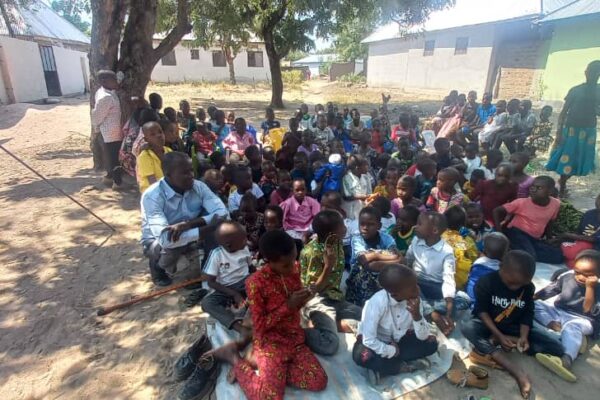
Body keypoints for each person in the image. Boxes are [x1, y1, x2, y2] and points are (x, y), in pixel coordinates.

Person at [207, 231, 327, 400]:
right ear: (269, 261)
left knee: (318, 381)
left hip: (294, 339)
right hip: (270, 343)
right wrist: (288, 306)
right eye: (286, 265)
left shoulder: (293, 269)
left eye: (294, 259)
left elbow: (297, 305)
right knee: (269, 397)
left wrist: (307, 294)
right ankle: (234, 358)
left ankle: (263, 366)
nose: (293, 266)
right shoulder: (255, 283)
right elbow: (259, 325)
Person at [462, 250, 564, 399]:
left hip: (514, 327)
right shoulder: (486, 282)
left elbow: (528, 312)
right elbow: (481, 311)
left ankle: (504, 341)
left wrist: (523, 336)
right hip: (489, 324)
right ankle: (517, 372)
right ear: (501, 268)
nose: (516, 287)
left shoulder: (528, 288)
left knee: (557, 348)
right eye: (512, 283)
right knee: (467, 327)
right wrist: (499, 335)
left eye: (521, 284)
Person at [140, 152, 228, 286]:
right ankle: (157, 267)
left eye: (191, 170)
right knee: (172, 245)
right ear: (168, 175)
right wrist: (208, 228)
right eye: (184, 173)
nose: (191, 175)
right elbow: (166, 239)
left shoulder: (198, 186)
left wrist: (188, 224)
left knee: (223, 226)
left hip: (188, 229)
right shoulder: (152, 196)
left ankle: (207, 269)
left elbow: (222, 212)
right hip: (158, 239)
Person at [353, 264, 438, 382]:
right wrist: (391, 350)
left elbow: (422, 336)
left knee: (432, 344)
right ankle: (398, 367)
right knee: (361, 356)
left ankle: (384, 367)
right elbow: (368, 340)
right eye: (413, 287)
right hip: (379, 342)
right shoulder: (376, 303)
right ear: (395, 294)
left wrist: (417, 316)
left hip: (401, 340)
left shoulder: (415, 301)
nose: (418, 289)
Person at [300, 210, 362, 355]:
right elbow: (312, 291)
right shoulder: (312, 252)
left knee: (367, 317)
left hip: (335, 297)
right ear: (331, 234)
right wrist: (328, 266)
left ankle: (334, 324)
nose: (345, 227)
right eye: (341, 225)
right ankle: (300, 330)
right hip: (317, 301)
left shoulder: (336, 242)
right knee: (329, 345)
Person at [534, 249, 600, 382]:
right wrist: (532, 298)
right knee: (535, 306)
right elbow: (551, 290)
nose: (580, 277)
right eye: (577, 272)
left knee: (572, 326)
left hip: (584, 319)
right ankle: (553, 325)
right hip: (559, 311)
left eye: (587, 275)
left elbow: (587, 309)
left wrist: (590, 288)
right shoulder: (567, 275)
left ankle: (566, 359)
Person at [546, 60, 600, 197]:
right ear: (586, 72)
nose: (591, 74)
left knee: (579, 160)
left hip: (589, 131)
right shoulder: (576, 90)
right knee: (566, 159)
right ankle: (562, 185)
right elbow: (564, 112)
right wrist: (559, 132)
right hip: (571, 130)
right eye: (590, 71)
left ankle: (562, 182)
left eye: (595, 72)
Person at [405, 211, 456, 336]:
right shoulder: (416, 241)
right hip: (417, 283)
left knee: (463, 299)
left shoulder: (446, 251)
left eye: (420, 224)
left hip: (436, 287)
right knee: (410, 287)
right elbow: (408, 260)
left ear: (434, 231)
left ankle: (425, 307)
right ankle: (434, 315)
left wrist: (449, 305)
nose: (415, 227)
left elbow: (448, 278)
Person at [493, 176, 563, 264]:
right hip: (517, 233)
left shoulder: (555, 204)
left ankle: (517, 250)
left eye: (539, 188)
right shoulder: (521, 202)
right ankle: (513, 250)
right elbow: (496, 211)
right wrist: (500, 233)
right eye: (532, 186)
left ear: (550, 191)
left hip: (534, 238)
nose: (533, 190)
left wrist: (549, 237)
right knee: (529, 256)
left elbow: (550, 221)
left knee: (558, 256)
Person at [201, 221, 252, 334]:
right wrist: (234, 294)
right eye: (243, 239)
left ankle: (251, 309)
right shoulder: (216, 255)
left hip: (246, 281)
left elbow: (251, 267)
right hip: (226, 288)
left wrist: (258, 278)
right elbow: (211, 282)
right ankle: (238, 327)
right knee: (207, 303)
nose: (247, 241)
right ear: (229, 244)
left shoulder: (244, 248)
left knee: (261, 285)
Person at [346, 207, 402, 307]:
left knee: (399, 274)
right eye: (362, 224)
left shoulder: (386, 238)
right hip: (360, 276)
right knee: (367, 273)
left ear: (379, 226)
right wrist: (379, 255)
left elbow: (398, 256)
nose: (365, 227)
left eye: (370, 224)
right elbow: (363, 260)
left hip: (382, 272)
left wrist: (375, 258)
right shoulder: (357, 238)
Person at [91, 70, 124, 189]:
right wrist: (96, 128)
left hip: (113, 131)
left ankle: (109, 177)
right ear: (104, 81)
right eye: (113, 80)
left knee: (112, 156)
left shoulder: (107, 92)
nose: (116, 82)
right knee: (115, 157)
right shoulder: (105, 98)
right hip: (111, 132)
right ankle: (117, 182)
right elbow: (97, 117)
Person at [465, 232, 509, 303]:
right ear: (504, 254)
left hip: (470, 294)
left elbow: (469, 276)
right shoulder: (501, 270)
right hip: (487, 301)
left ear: (484, 250)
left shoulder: (478, 262)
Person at [558, 193, 600, 268]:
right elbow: (578, 233)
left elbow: (594, 239)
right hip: (581, 245)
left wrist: (567, 235)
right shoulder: (589, 214)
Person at [442, 206, 479, 290]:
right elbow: (474, 257)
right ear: (463, 224)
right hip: (458, 281)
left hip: (439, 274)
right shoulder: (466, 240)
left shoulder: (439, 235)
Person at [136, 121, 172, 194]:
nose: (159, 135)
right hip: (152, 193)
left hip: (168, 189)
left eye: (160, 132)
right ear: (146, 140)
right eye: (153, 134)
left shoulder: (169, 151)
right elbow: (152, 182)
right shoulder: (145, 156)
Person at [342, 155, 373, 220]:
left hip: (363, 210)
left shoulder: (366, 177)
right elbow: (346, 196)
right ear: (357, 168)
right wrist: (361, 197)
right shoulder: (346, 178)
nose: (367, 167)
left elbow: (369, 192)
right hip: (350, 214)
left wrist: (369, 197)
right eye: (365, 165)